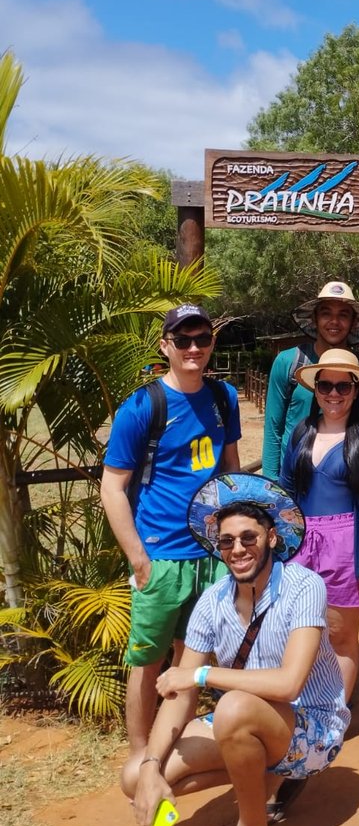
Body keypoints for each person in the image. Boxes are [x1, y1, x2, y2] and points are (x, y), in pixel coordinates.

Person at [123, 474, 350, 826]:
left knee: (234, 707)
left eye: (249, 537)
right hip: (250, 721)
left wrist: (202, 674)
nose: (238, 549)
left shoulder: (304, 587)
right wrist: (154, 766)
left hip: (313, 727)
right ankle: (267, 776)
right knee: (134, 777)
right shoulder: (213, 602)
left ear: (272, 538)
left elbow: (287, 683)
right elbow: (180, 693)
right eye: (227, 541)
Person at [101, 304, 241, 753]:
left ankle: (173, 742)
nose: (194, 348)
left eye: (202, 338)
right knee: (146, 661)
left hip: (212, 555)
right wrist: (140, 561)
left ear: (212, 343)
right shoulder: (142, 407)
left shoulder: (224, 398)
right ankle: (140, 755)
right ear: (166, 346)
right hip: (161, 559)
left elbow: (231, 471)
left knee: (192, 655)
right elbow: (113, 488)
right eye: (183, 340)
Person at [277, 348, 359, 701]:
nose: (333, 394)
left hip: (347, 546)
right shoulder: (302, 433)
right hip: (300, 544)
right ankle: (306, 705)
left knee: (341, 636)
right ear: (315, 389)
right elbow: (285, 490)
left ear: (356, 390)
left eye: (343, 387)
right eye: (325, 385)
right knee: (299, 630)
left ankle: (333, 716)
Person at [262, 281, 359, 479]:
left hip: (343, 480)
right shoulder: (288, 362)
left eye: (343, 314)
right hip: (292, 478)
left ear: (353, 322)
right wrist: (271, 484)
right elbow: (274, 427)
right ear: (315, 318)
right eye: (326, 313)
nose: (334, 322)